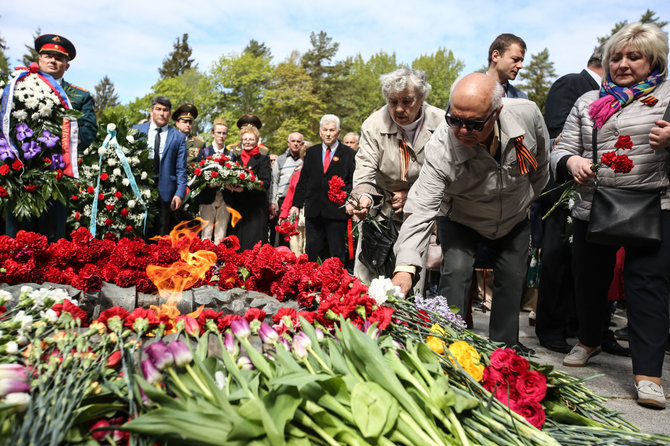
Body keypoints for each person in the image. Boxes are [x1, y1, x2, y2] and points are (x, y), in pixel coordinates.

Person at [550, 22, 670, 409]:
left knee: (646, 285)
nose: (622, 64)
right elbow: (561, 147)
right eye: (615, 57)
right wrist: (572, 161)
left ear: (653, 61)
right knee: (589, 280)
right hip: (594, 203)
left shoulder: (668, 96)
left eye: (633, 57)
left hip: (654, 204)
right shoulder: (588, 101)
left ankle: (649, 374)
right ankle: (589, 340)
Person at [392, 73, 549, 354]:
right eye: (455, 119)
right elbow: (420, 209)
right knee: (457, 271)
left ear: (496, 111)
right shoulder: (441, 147)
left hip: (513, 214)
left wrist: (525, 201)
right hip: (461, 217)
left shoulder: (527, 114)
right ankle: (449, 341)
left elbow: (541, 166)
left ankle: (505, 346)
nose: (462, 131)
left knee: (512, 277)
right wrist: (405, 268)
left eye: (474, 124)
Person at [535, 44, 610, 354]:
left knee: (586, 265)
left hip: (598, 193)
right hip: (564, 189)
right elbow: (557, 134)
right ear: (605, 61)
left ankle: (584, 329)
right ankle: (550, 328)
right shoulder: (572, 84)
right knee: (557, 260)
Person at [346, 68, 443, 291]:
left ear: (422, 97)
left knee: (408, 284)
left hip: (419, 212)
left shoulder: (441, 124)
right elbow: (365, 169)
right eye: (393, 101)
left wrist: (412, 195)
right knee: (368, 284)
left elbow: (447, 172)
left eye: (407, 101)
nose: (399, 109)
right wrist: (364, 198)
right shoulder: (373, 124)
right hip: (380, 212)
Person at [5, 33, 98, 241]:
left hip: (56, 173)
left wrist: (61, 145)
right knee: (18, 232)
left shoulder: (78, 96)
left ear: (67, 65)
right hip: (20, 171)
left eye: (59, 58)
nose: (52, 60)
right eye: (47, 55)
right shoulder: (18, 87)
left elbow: (88, 130)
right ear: (39, 59)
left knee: (52, 232)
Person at [290, 115, 356, 263]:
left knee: (336, 252)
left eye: (331, 130)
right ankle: (311, 283)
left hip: (337, 211)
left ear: (338, 133)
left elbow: (353, 182)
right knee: (312, 251)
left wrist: (350, 200)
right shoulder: (311, 152)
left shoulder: (349, 154)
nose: (328, 133)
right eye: (325, 130)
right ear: (320, 132)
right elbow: (303, 180)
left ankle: (337, 282)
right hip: (314, 211)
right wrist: (296, 205)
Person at [134, 96, 187, 237]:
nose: (162, 113)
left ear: (169, 113)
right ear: (151, 111)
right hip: (141, 187)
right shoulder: (137, 131)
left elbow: (181, 168)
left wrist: (179, 193)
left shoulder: (178, 137)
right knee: (139, 231)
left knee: (161, 234)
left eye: (165, 110)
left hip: (166, 191)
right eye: (158, 109)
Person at [222, 124, 272, 250]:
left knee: (253, 245)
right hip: (238, 207)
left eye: (251, 139)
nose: (248, 142)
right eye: (245, 139)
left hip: (256, 209)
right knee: (237, 245)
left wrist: (245, 188)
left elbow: (265, 183)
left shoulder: (263, 159)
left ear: (257, 140)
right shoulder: (235, 160)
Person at [194, 118, 231, 244]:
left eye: (224, 133)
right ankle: (205, 261)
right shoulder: (204, 152)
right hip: (207, 197)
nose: (221, 136)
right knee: (206, 235)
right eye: (218, 132)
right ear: (212, 133)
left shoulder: (231, 155)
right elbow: (197, 175)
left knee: (221, 235)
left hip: (224, 198)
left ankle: (220, 263)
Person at [271, 132, 305, 245]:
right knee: (284, 235)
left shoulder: (305, 160)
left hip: (300, 202)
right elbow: (274, 182)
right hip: (283, 201)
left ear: (302, 144)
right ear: (288, 143)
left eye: (298, 141)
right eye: (293, 141)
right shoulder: (280, 160)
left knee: (299, 234)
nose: (295, 144)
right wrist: (273, 202)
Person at [486, 33, 528, 99]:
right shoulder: (468, 88)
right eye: (515, 59)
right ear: (496, 56)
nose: (520, 66)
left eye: (521, 61)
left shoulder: (522, 98)